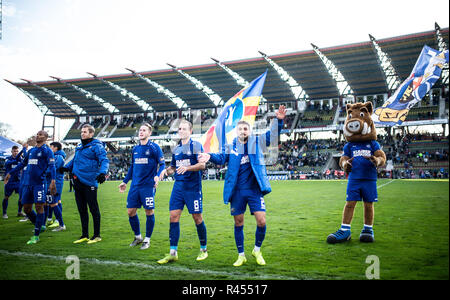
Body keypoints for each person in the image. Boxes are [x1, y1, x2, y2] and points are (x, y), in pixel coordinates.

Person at [199, 105, 286, 266]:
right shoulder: (231, 147)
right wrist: (208, 155)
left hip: (254, 190)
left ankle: (257, 250)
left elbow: (272, 135)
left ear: (249, 131)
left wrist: (278, 121)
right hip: (237, 191)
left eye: (246, 129)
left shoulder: (256, 142)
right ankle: (241, 255)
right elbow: (220, 158)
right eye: (240, 129)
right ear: (237, 131)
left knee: (262, 221)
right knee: (238, 222)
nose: (243, 131)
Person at [157, 120, 207, 264]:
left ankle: (203, 249)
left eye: (184, 129)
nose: (181, 131)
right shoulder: (177, 149)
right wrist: (166, 171)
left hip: (193, 187)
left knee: (197, 218)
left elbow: (202, 164)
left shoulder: (196, 145)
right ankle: (173, 252)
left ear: (190, 131)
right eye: (179, 129)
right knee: (173, 216)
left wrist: (188, 168)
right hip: (178, 187)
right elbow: (173, 167)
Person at [4, 130, 56, 245]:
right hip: (27, 184)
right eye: (37, 134)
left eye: (41, 134)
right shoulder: (32, 150)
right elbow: (22, 164)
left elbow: (52, 167)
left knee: (39, 207)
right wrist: (10, 173)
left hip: (39, 184)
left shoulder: (47, 151)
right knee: (26, 209)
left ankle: (36, 235)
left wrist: (53, 181)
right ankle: (38, 224)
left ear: (46, 138)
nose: (38, 136)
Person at [118, 123, 165, 250]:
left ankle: (147, 239)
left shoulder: (155, 148)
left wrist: (158, 175)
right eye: (140, 130)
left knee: (149, 211)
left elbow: (163, 165)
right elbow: (133, 167)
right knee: (130, 211)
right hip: (135, 186)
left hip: (148, 186)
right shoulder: (135, 149)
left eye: (144, 130)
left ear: (149, 133)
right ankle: (138, 237)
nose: (141, 132)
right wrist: (125, 181)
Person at [61, 124, 109, 244]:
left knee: (93, 209)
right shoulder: (79, 146)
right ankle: (85, 235)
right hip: (78, 182)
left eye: (85, 132)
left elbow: (104, 160)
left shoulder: (97, 146)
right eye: (81, 132)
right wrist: (66, 168)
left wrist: (103, 172)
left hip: (89, 181)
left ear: (91, 134)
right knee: (82, 209)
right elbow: (75, 160)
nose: (82, 134)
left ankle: (97, 235)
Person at [44, 142, 66, 232]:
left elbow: (51, 169)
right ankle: (48, 221)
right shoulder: (57, 156)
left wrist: (40, 171)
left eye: (51, 147)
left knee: (53, 202)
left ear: (55, 148)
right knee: (53, 201)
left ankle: (60, 223)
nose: (50, 149)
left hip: (54, 183)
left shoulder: (58, 157)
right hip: (53, 182)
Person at [2, 145, 26, 219]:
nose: (15, 152)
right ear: (11, 151)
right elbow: (14, 161)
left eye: (17, 151)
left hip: (18, 181)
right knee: (6, 197)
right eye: (14, 151)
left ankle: (19, 211)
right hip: (9, 181)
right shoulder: (7, 159)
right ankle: (4, 213)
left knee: (22, 197)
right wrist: (23, 150)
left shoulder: (20, 159)